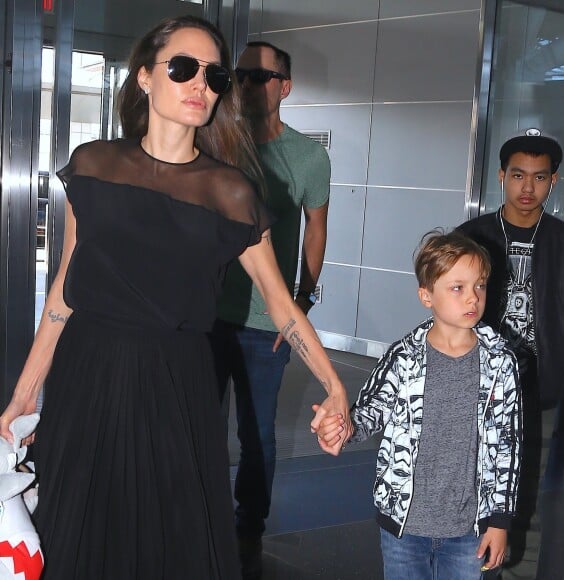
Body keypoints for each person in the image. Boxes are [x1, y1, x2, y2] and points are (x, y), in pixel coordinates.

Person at [0, 16, 350, 580]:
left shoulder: (229, 191)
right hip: (86, 376)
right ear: (145, 77)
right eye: (183, 68)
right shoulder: (93, 167)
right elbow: (65, 291)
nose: (199, 86)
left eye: (214, 77)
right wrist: (23, 395)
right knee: (76, 531)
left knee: (164, 540)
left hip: (174, 381)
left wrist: (335, 386)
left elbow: (280, 304)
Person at [314, 230, 522, 580]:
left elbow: (507, 446)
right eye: (457, 287)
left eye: (480, 285)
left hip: (467, 528)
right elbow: (369, 413)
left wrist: (499, 521)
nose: (472, 297)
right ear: (426, 295)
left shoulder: (501, 363)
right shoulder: (403, 357)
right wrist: (341, 426)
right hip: (404, 526)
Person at [209, 41, 331, 578]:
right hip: (206, 313)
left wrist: (303, 299)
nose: (252, 84)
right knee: (197, 423)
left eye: (264, 75)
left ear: (286, 86)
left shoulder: (308, 156)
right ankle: (200, 514)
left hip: (268, 323)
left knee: (257, 433)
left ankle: (247, 528)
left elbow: (316, 228)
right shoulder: (215, 144)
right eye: (243, 75)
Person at [457, 129, 564, 565]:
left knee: (524, 500)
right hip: (475, 390)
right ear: (500, 177)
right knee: (465, 491)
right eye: (518, 175)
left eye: (539, 178)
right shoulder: (470, 236)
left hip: (538, 394)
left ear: (554, 182)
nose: (527, 188)